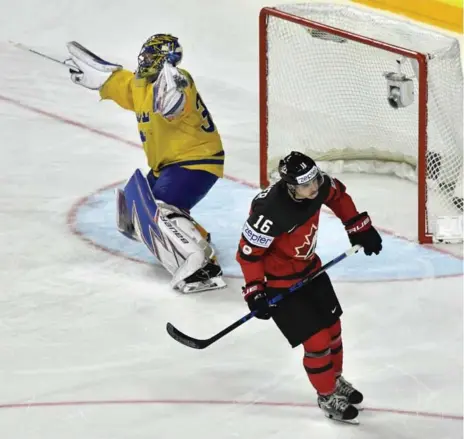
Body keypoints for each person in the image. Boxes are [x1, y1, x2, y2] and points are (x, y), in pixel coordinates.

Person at [65, 36, 226, 293]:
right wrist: (101, 78)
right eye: (145, 56)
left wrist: (173, 84)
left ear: (167, 60)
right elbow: (124, 85)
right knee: (134, 211)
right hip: (169, 163)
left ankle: (203, 268)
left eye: (152, 57)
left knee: (161, 209)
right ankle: (198, 240)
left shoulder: (178, 80)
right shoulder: (141, 85)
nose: (145, 61)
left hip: (196, 159)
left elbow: (175, 102)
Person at [236, 151, 382, 423]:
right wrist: (255, 291)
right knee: (316, 342)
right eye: (305, 185)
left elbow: (338, 197)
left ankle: (335, 380)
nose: (314, 188)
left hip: (311, 270)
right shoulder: (270, 212)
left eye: (314, 180)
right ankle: (326, 396)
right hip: (281, 284)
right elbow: (248, 254)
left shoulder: (318, 186)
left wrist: (358, 227)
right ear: (291, 186)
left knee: (333, 330)